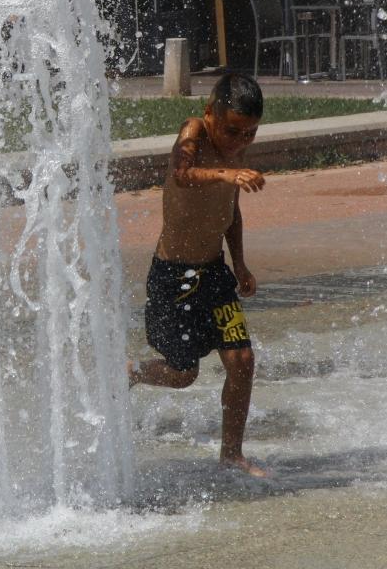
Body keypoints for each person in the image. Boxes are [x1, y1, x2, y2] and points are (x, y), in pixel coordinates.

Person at [128, 72, 270, 478]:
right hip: (174, 277)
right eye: (232, 131)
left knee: (242, 361)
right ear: (210, 113)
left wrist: (239, 264)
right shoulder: (193, 131)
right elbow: (181, 173)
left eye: (249, 133)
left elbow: (230, 211)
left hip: (214, 273)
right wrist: (227, 173)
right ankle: (132, 372)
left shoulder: (235, 150)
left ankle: (232, 455)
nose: (239, 141)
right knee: (182, 374)